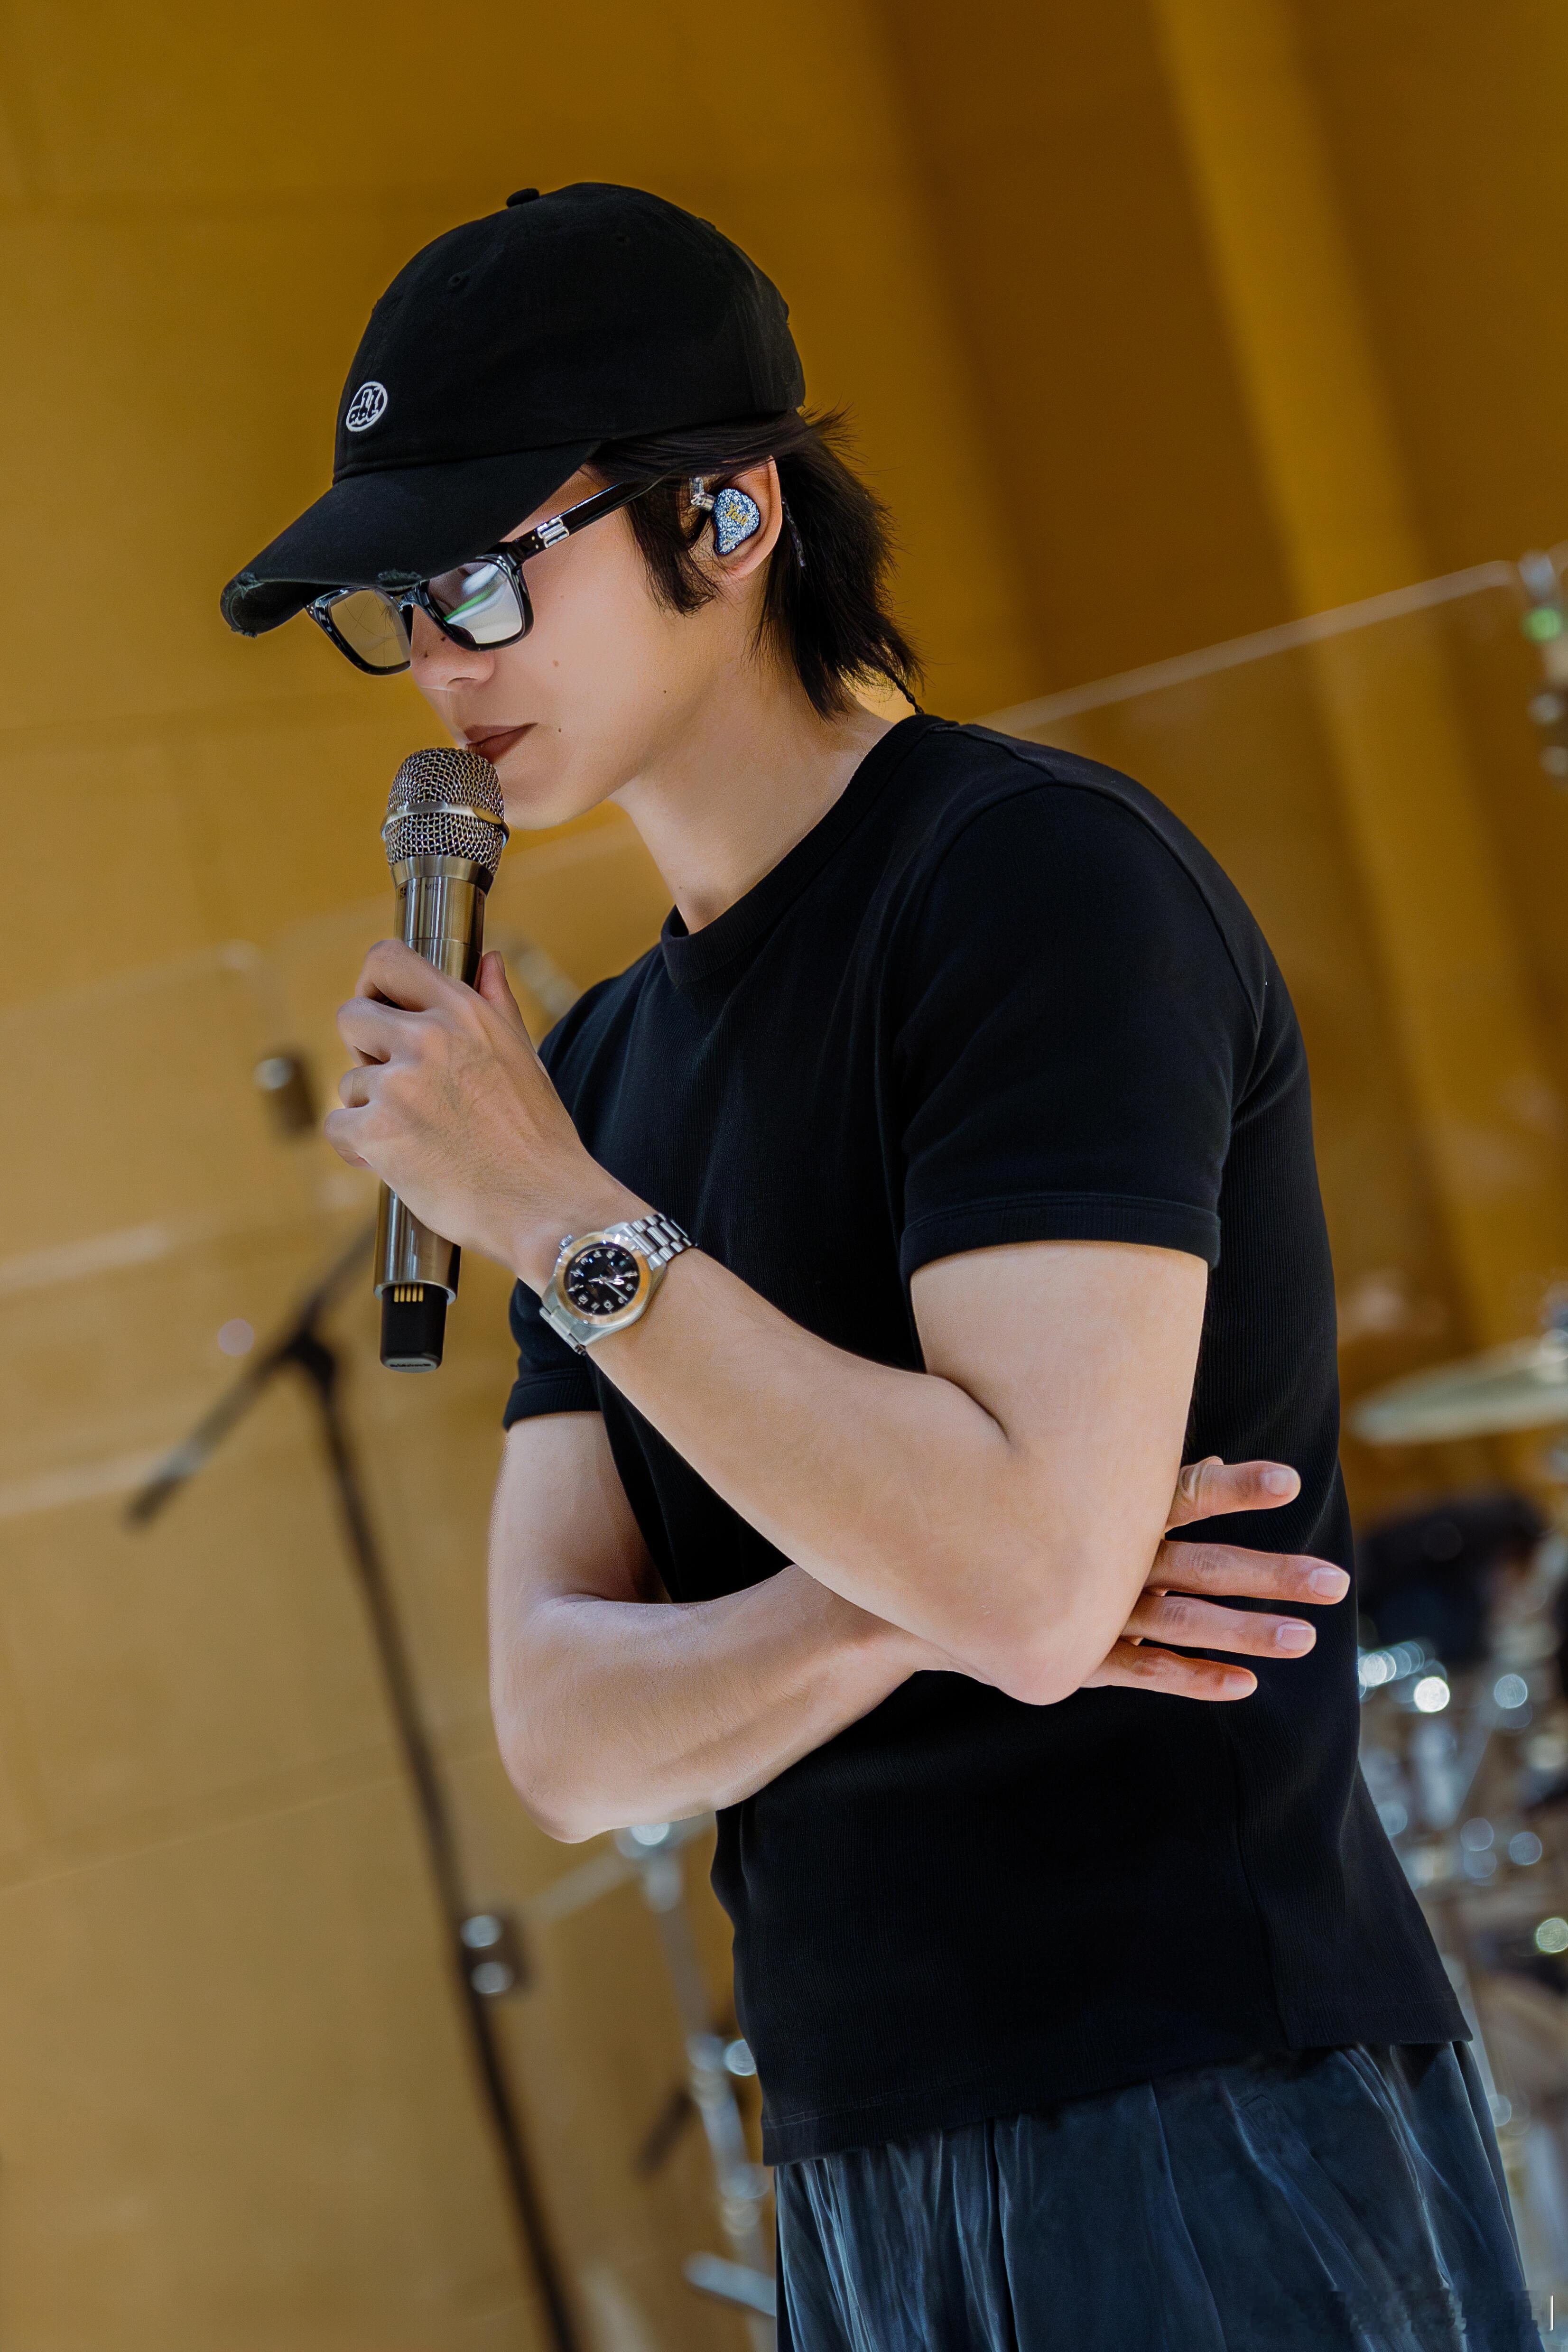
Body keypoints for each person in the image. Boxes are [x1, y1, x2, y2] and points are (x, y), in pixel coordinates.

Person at [223, 185, 1538, 2350]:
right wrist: (899, 1590)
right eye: (400, 603)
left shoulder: (1024, 889)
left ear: (726, 519)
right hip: (852, 2153)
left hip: (1195, 2096)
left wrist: (560, 1223)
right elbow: (568, 1732)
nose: (444, 655)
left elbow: (1022, 1579)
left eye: (484, 572)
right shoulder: (598, 1068)